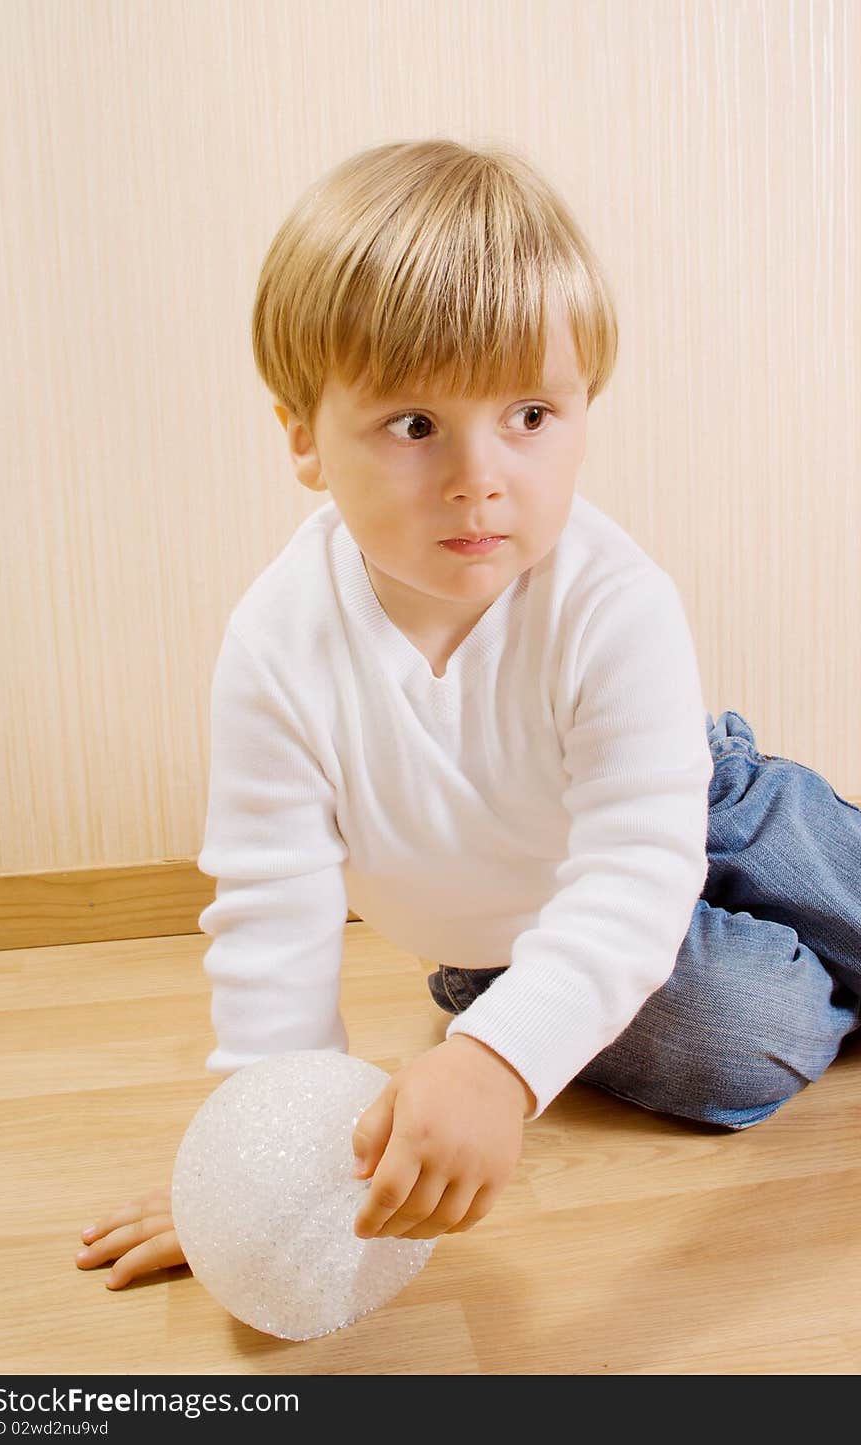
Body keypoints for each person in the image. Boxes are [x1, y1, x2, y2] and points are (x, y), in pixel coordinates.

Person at [75, 138, 861, 1291]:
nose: (479, 476)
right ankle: (585, 989)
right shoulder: (275, 647)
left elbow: (639, 862)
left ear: (584, 404)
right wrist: (251, 1174)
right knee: (737, 1044)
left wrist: (499, 1068)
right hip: (522, 926)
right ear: (303, 433)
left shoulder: (612, 599)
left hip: (698, 814)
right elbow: (272, 920)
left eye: (530, 413)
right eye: (413, 426)